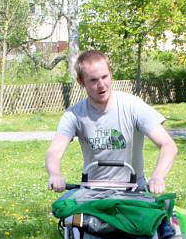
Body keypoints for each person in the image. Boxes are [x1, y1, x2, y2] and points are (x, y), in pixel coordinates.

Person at [45, 50, 178, 193]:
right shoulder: (74, 114)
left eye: (104, 76)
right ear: (81, 81)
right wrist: (55, 174)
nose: (101, 84)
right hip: (92, 192)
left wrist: (157, 176)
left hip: (133, 190)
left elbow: (168, 145)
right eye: (93, 80)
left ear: (111, 74)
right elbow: (54, 152)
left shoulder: (133, 106)